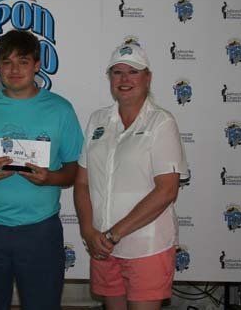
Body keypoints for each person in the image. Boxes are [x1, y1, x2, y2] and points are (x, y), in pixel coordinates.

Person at [0, 29, 83, 310]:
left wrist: (50, 178)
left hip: (40, 230)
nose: (14, 69)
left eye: (23, 61)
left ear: (37, 65)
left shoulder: (60, 109)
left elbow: (74, 170)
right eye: (7, 62)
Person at [74, 40, 188, 310]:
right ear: (109, 78)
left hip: (146, 246)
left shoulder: (161, 122)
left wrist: (114, 234)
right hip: (103, 247)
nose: (124, 79)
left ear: (147, 77)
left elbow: (166, 191)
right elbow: (82, 183)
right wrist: (89, 231)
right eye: (117, 72)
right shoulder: (97, 121)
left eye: (133, 71)